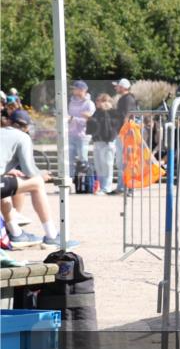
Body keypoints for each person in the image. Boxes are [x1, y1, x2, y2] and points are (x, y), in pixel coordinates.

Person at [1, 110, 78, 248]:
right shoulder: (22, 137)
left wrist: (9, 170)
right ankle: (51, 236)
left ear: (9, 122)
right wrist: (41, 175)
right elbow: (29, 171)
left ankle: (16, 233)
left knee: (5, 186)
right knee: (37, 183)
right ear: (27, 127)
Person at [86, 93, 118, 194]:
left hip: (107, 142)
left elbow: (109, 125)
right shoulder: (97, 112)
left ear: (105, 102)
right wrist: (90, 119)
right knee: (99, 165)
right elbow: (95, 125)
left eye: (98, 101)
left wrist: (105, 112)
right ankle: (101, 186)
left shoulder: (111, 112)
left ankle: (106, 187)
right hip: (98, 141)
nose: (96, 103)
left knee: (107, 165)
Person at [111, 78, 137, 194]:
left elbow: (127, 116)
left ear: (123, 87)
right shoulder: (126, 99)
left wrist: (124, 132)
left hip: (125, 133)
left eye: (118, 86)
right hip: (123, 132)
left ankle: (128, 187)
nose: (116, 88)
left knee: (126, 161)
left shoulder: (127, 99)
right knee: (122, 161)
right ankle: (122, 186)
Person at [68, 80, 95, 168]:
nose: (73, 90)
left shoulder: (89, 104)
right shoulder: (71, 102)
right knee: (69, 160)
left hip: (83, 136)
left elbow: (91, 121)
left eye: (74, 89)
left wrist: (73, 119)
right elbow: (69, 116)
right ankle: (71, 179)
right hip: (71, 134)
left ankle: (85, 180)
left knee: (83, 159)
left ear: (81, 90)